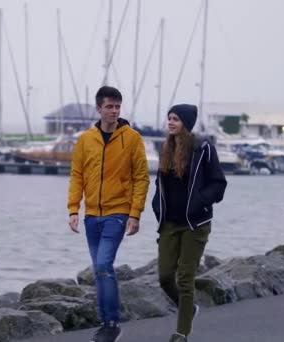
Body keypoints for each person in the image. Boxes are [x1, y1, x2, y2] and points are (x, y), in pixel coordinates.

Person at [67, 85, 150, 342]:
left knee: (103, 264)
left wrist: (135, 214)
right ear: (99, 108)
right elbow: (77, 175)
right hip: (92, 215)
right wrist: (73, 209)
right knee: (99, 269)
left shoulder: (132, 138)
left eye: (117, 106)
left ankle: (112, 323)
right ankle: (105, 323)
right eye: (109, 106)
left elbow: (141, 178)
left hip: (118, 212)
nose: (114, 111)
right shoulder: (85, 140)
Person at [152, 104, 227, 342]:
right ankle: (189, 308)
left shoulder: (202, 149)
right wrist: (157, 208)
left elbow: (218, 184)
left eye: (175, 119)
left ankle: (181, 332)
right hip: (170, 224)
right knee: (165, 276)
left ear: (186, 122)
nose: (171, 122)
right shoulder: (165, 147)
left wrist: (201, 202)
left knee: (185, 277)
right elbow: (160, 185)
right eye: (169, 118)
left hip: (195, 224)